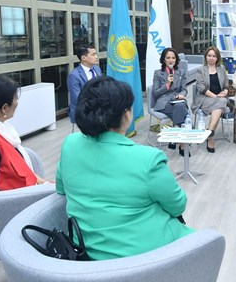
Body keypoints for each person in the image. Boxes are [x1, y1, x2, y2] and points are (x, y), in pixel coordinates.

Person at [56, 76, 194, 260]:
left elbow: (61, 189)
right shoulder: (148, 159)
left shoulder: (70, 145)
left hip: (86, 252)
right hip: (148, 258)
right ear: (126, 115)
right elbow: (177, 205)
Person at [191, 46, 229, 153]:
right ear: (206, 57)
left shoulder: (221, 68)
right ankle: (210, 135)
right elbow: (201, 88)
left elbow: (226, 85)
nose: (211, 58)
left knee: (220, 103)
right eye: (209, 55)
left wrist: (225, 92)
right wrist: (216, 97)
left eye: (214, 56)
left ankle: (210, 133)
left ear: (217, 58)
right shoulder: (200, 70)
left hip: (219, 99)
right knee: (221, 102)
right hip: (204, 98)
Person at [152, 47, 189, 153]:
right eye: (168, 58)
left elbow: (184, 89)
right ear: (164, 59)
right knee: (182, 111)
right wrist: (167, 84)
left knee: (179, 106)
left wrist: (182, 95)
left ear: (176, 60)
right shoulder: (158, 73)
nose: (171, 60)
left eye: (173, 58)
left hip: (178, 99)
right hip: (164, 102)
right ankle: (182, 145)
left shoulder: (181, 72)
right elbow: (155, 93)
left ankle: (174, 135)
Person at [67, 43, 101, 124]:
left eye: (96, 54)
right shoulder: (74, 75)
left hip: (98, 112)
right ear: (83, 58)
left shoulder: (97, 69)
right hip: (83, 114)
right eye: (93, 54)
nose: (96, 57)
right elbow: (77, 98)